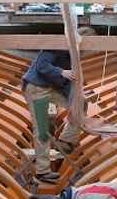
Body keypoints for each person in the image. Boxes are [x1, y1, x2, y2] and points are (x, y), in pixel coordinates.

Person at [22, 50, 80, 183]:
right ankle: (43, 172)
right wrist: (61, 72)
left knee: (80, 104)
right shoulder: (56, 45)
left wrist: (73, 102)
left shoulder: (75, 57)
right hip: (36, 88)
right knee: (42, 129)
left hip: (51, 89)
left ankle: (66, 141)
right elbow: (41, 65)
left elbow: (69, 84)